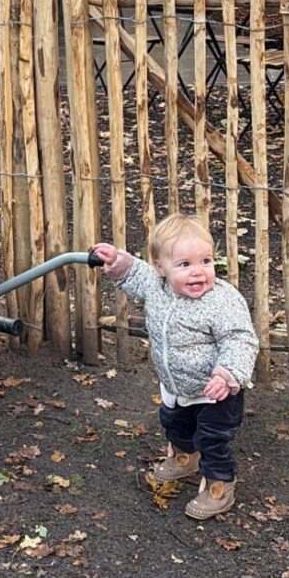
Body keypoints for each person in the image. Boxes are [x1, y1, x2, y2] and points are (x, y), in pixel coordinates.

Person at [92, 214, 259, 520]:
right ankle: (185, 457)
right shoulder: (157, 286)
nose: (198, 272)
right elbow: (135, 273)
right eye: (184, 265)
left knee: (212, 437)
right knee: (174, 423)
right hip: (175, 384)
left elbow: (240, 339)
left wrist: (228, 373)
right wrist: (117, 261)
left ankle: (220, 483)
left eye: (206, 261)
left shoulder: (222, 301)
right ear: (161, 268)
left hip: (216, 390)